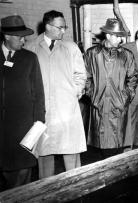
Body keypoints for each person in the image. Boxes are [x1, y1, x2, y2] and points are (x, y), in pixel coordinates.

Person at [25, 10, 87, 179]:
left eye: (64, 27)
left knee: (71, 154)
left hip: (67, 110)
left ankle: (76, 188)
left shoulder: (71, 47)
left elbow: (81, 75)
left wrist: (75, 91)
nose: (64, 31)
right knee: (44, 154)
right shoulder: (31, 47)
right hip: (43, 111)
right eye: (61, 27)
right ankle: (47, 192)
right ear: (48, 26)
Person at [0, 15, 45, 189]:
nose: (24, 40)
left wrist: (39, 124)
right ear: (7, 36)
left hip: (23, 130)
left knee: (22, 179)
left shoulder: (30, 58)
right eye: (20, 37)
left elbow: (38, 94)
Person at [84, 18, 138, 158]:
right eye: (118, 36)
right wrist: (93, 95)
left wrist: (124, 98)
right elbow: (86, 77)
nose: (121, 40)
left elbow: (132, 79)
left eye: (121, 36)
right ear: (108, 35)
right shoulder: (92, 54)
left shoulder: (127, 55)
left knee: (117, 144)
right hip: (99, 106)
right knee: (103, 147)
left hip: (118, 106)